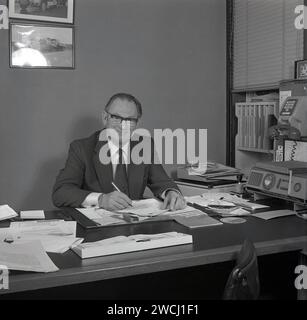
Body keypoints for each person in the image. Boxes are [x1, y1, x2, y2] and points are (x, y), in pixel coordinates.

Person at [52, 93, 186, 211]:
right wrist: (101, 199)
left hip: (135, 228)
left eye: (130, 120)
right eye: (116, 117)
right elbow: (61, 192)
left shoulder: (144, 146)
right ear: (105, 118)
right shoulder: (81, 148)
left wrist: (171, 193)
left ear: (137, 123)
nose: (123, 125)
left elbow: (162, 182)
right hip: (97, 229)